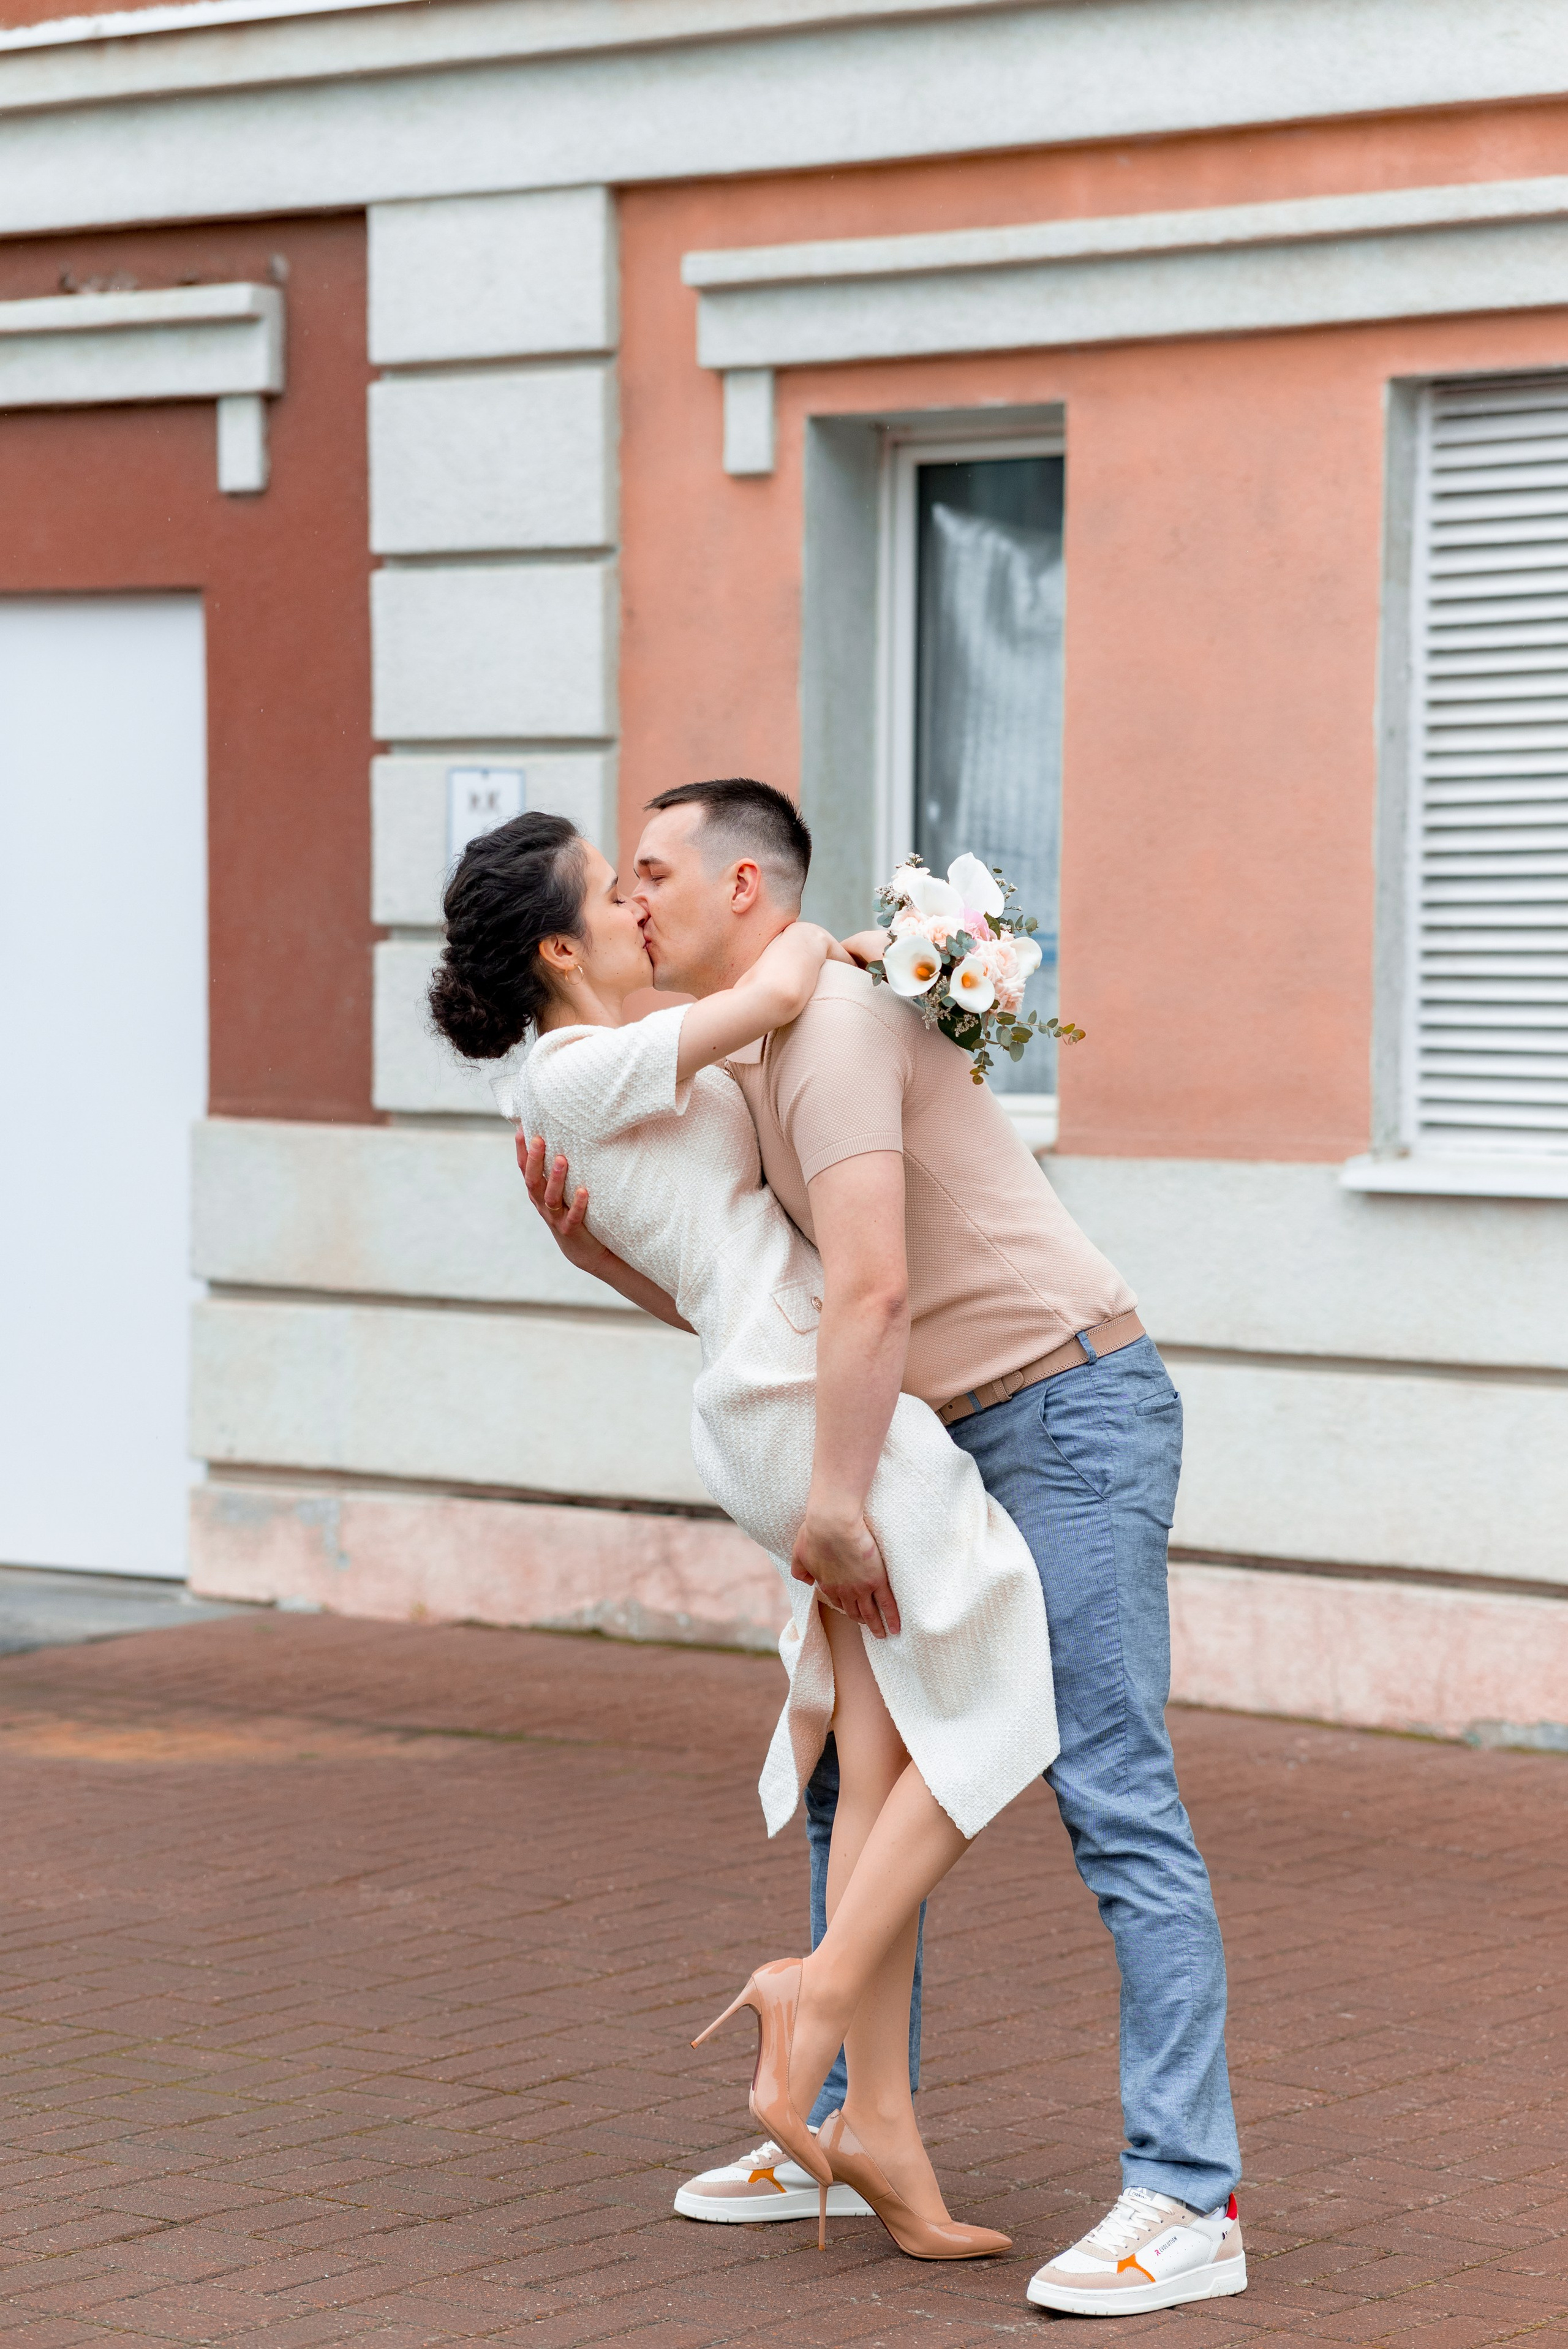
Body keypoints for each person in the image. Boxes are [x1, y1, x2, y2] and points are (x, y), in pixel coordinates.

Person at [522, 779, 1247, 2318]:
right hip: (946, 1425)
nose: (633, 901)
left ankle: (1190, 2193)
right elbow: (752, 1294)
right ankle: (842, 2125)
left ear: (741, 884)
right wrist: (598, 1251)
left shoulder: (833, 1029)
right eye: (617, 884)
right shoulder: (758, 1052)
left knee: (1110, 1789)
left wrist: (837, 1501)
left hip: (1060, 1412)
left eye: (650, 873)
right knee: (857, 1774)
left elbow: (870, 1298)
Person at [428, 805, 1062, 2264]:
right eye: (615, 892)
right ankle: (813, 1998)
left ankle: (881, 2127)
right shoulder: (572, 1069)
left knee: (891, 1741)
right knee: (1015, 1696)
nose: (638, 912)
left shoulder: (625, 1066)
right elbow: (776, 992)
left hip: (767, 1385)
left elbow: (699, 1231)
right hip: (802, 1400)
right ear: (555, 948)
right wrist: (863, 954)